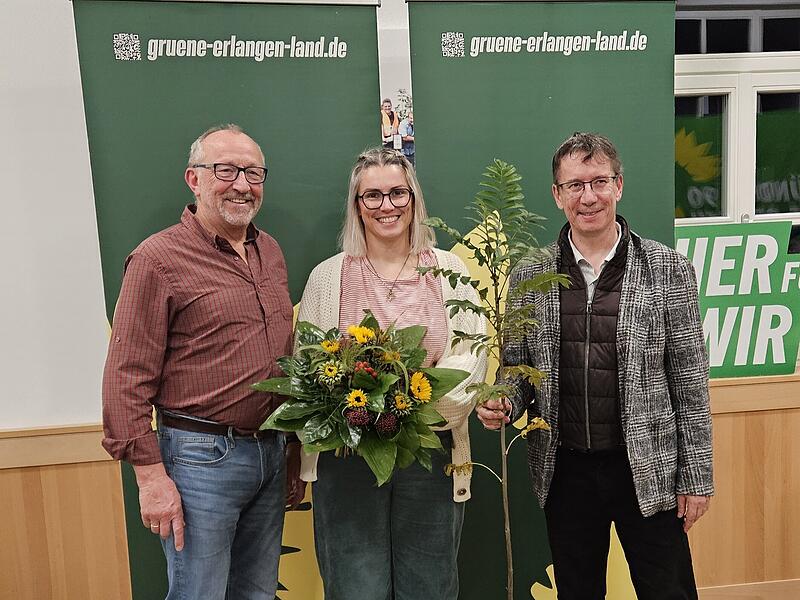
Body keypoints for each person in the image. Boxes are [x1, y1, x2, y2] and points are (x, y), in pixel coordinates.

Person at [478, 132, 714, 599]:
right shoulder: (531, 273)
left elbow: (690, 382)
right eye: (575, 185)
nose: (588, 197)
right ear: (557, 195)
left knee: (669, 591)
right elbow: (517, 368)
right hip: (566, 471)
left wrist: (697, 477)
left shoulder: (666, 268)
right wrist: (505, 400)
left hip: (648, 467)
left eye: (599, 182)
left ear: (618, 186)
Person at [101, 124, 305, 599]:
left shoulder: (269, 251)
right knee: (200, 593)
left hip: (271, 452)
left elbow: (282, 359)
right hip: (199, 460)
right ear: (194, 180)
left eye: (253, 172)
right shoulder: (157, 259)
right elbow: (126, 377)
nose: (241, 184)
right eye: (226, 170)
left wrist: (292, 451)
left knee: (257, 593)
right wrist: (150, 478)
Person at [297, 147, 487, 599]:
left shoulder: (450, 271)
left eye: (398, 193)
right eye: (373, 196)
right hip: (347, 457)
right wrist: (362, 411)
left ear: (414, 199)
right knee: (354, 587)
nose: (387, 206)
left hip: (431, 450)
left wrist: (406, 412)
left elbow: (469, 360)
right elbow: (309, 368)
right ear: (357, 205)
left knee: (430, 587)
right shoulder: (328, 277)